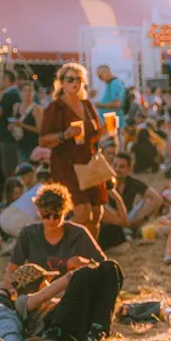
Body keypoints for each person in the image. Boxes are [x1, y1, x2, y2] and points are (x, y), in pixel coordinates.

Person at [5, 183, 123, 341]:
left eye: (56, 215)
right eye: (47, 215)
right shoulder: (29, 234)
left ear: (65, 212)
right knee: (81, 275)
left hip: (77, 291)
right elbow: (11, 271)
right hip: (47, 299)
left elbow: (103, 268)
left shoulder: (77, 232)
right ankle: (59, 329)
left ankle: (99, 329)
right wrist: (12, 291)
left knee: (109, 268)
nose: (52, 220)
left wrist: (84, 263)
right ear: (39, 213)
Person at [39, 63, 112, 238]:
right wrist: (65, 135)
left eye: (78, 79)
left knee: (96, 214)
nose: (75, 83)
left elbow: (92, 138)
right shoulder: (55, 108)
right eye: (70, 79)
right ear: (61, 82)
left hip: (88, 162)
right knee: (83, 213)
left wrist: (104, 130)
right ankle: (57, 242)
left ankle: (92, 256)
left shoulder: (86, 105)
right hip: (67, 165)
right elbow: (43, 140)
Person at [103, 153, 162, 232]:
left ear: (129, 169)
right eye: (115, 165)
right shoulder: (105, 182)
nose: (117, 169)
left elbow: (157, 199)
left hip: (129, 218)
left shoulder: (133, 183)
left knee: (146, 200)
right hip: (111, 218)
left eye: (121, 166)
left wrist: (143, 218)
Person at [0, 70, 22, 178]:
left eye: (1, 79)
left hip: (8, 137)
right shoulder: (15, 93)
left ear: (7, 80)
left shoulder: (9, 95)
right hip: (11, 137)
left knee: (9, 169)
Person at [12, 82, 42, 163]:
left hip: (32, 146)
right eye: (25, 91)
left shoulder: (36, 109)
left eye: (30, 91)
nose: (27, 93)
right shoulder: (16, 107)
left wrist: (23, 125)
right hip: (19, 145)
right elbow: (14, 123)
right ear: (20, 93)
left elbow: (40, 130)